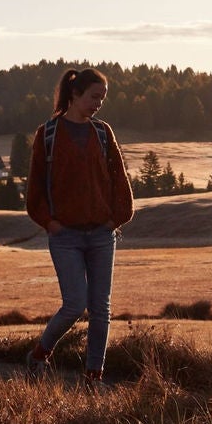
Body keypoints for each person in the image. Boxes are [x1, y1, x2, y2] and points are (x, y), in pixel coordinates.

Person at [24, 67, 134, 382]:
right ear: (75, 94)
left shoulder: (102, 132)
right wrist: (49, 222)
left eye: (103, 98)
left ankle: (93, 377)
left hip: (102, 233)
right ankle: (39, 355)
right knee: (74, 305)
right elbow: (35, 188)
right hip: (65, 236)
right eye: (94, 96)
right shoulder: (47, 134)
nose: (99, 103)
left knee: (101, 310)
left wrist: (117, 217)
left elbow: (119, 179)